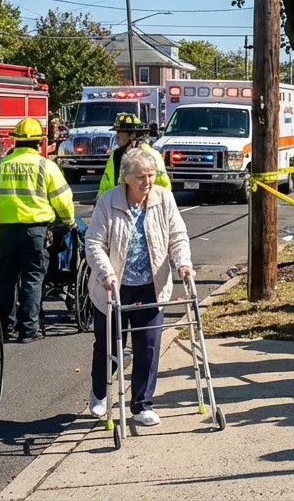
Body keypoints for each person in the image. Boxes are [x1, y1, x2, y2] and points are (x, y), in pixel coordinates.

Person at [84, 148, 194, 427]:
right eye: (141, 176)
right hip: (113, 287)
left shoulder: (164, 199)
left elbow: (177, 236)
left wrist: (182, 263)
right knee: (108, 348)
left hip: (151, 285)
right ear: (125, 178)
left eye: (151, 175)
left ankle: (142, 404)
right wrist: (106, 273)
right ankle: (99, 393)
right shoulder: (108, 201)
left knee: (148, 347)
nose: (147, 181)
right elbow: (94, 242)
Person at [0, 118, 75, 343]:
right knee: (32, 279)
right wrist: (68, 221)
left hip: (4, 232)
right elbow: (63, 199)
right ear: (38, 143)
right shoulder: (46, 166)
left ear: (14, 141)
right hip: (35, 232)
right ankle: (28, 330)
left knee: (6, 280)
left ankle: (4, 327)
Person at [97, 112, 170, 198]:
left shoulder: (151, 156)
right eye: (117, 133)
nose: (117, 137)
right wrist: (100, 202)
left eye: (120, 133)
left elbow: (164, 187)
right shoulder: (115, 157)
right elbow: (105, 186)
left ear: (132, 136)